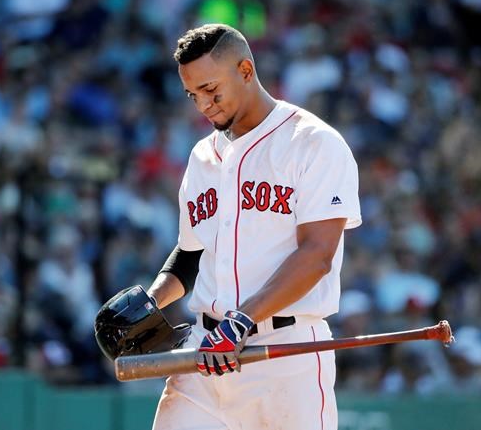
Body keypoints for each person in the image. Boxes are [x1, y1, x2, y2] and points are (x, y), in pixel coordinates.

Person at [146, 24, 362, 430]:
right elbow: (190, 254)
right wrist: (150, 301)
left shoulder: (314, 142)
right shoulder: (201, 156)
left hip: (285, 354)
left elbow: (317, 255)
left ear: (246, 70)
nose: (203, 104)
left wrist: (242, 319)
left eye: (211, 89)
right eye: (193, 95)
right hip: (204, 354)